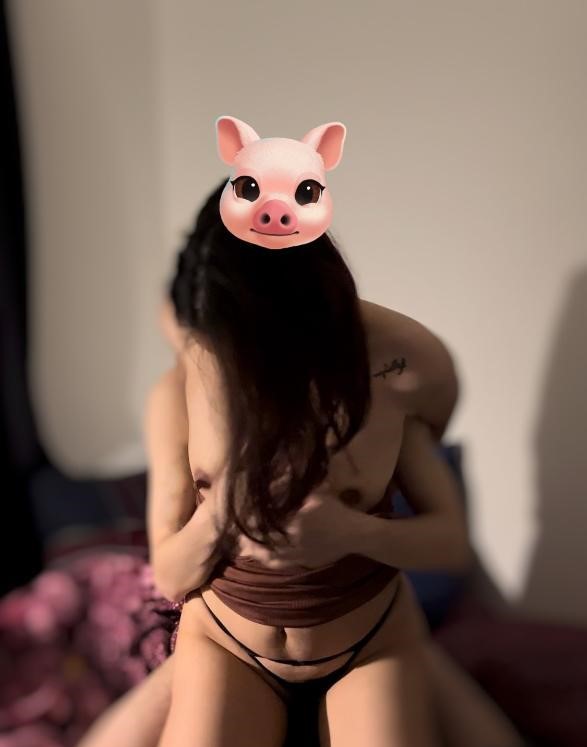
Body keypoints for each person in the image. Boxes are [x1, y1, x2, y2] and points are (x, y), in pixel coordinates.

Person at [79, 181, 524, 747]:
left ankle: (425, 664)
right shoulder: (182, 385)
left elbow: (449, 544)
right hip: (227, 642)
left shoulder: (387, 375)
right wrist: (226, 510)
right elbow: (169, 573)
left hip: (370, 639)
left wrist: (352, 531)